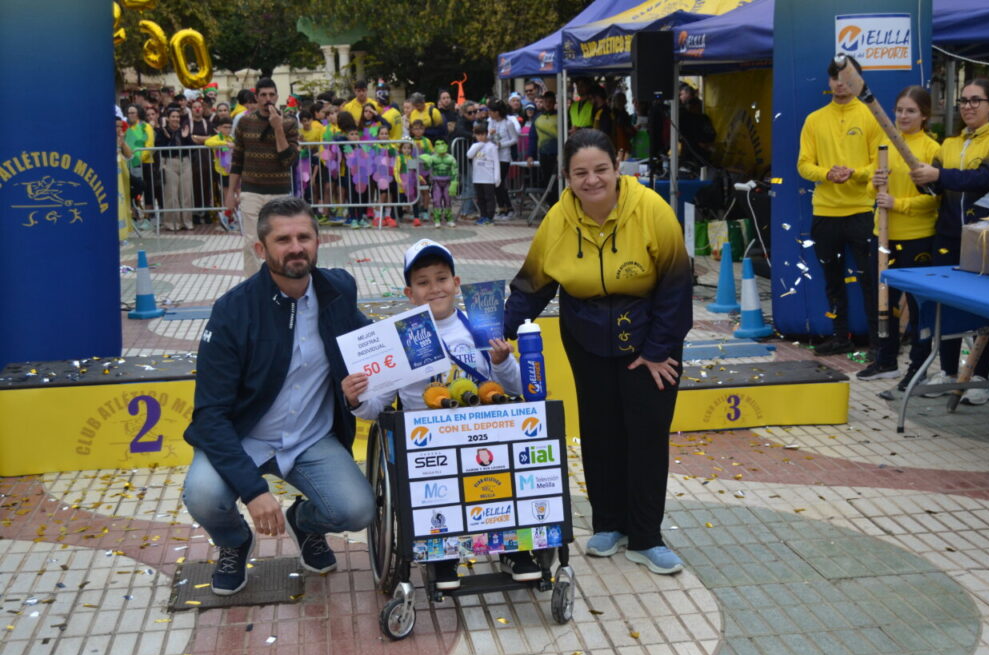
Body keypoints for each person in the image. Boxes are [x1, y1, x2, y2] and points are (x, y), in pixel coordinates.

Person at [504, 129, 692, 575]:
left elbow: (677, 284)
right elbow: (532, 284)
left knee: (646, 435)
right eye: (581, 173)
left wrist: (657, 349)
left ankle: (646, 537)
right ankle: (608, 523)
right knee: (599, 430)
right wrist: (498, 332)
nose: (592, 181)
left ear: (617, 166)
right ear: (567, 176)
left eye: (601, 170)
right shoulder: (558, 218)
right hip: (586, 337)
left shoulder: (652, 210)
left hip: (650, 338)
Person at [183, 196, 375, 596]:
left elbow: (370, 342)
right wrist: (253, 491)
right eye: (283, 239)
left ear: (318, 241)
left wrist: (432, 334)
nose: (296, 247)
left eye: (304, 237)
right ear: (261, 248)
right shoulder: (233, 311)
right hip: (244, 437)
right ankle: (233, 541)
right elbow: (210, 414)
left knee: (357, 510)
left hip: (310, 438)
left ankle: (304, 523)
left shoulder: (339, 289)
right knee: (202, 496)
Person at [343, 239, 529, 589]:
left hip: (483, 434)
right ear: (409, 293)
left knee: (506, 467)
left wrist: (503, 362)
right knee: (436, 480)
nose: (434, 288)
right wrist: (355, 399)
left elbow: (518, 387)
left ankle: (513, 548)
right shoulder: (398, 339)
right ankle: (442, 553)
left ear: (456, 284)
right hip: (427, 443)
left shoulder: (481, 326)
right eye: (423, 282)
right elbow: (375, 407)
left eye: (441, 279)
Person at [907, 77, 989, 405]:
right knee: (946, 304)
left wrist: (939, 175)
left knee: (985, 308)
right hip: (948, 234)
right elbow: (936, 187)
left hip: (988, 237)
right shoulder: (949, 144)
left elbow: (982, 180)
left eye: (975, 100)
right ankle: (947, 371)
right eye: (963, 101)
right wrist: (921, 180)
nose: (968, 107)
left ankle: (980, 377)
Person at [796, 56, 884, 356]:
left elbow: (881, 164)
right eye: (835, 78)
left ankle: (878, 342)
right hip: (825, 213)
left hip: (862, 211)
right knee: (832, 281)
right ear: (829, 81)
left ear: (858, 80)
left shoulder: (871, 116)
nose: (840, 84)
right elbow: (803, 165)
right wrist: (827, 174)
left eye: (847, 79)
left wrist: (854, 173)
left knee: (869, 280)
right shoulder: (814, 119)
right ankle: (840, 336)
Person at [858, 86, 939, 387]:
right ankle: (886, 360)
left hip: (917, 237)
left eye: (911, 111)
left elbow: (934, 199)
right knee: (883, 301)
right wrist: (875, 183)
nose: (903, 116)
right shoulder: (885, 144)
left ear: (924, 115)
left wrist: (898, 204)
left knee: (917, 305)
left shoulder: (932, 149)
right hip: (882, 236)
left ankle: (918, 367)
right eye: (900, 110)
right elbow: (872, 192)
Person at [226, 77, 300, 277]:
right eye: (263, 95)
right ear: (257, 98)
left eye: (271, 95)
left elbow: (288, 160)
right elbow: (237, 159)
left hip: (279, 192)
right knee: (251, 241)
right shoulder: (245, 122)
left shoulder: (289, 123)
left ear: (277, 96)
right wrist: (230, 192)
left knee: (280, 240)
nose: (268, 99)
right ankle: (253, 284)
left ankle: (281, 280)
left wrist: (278, 127)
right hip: (251, 191)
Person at [154, 107, 196, 231]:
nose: (176, 119)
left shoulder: (184, 130)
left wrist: (186, 137)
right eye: (173, 116)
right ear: (168, 118)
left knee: (186, 193)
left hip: (185, 162)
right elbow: (159, 148)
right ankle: (172, 222)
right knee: (171, 194)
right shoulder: (162, 131)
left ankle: (187, 221)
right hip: (170, 162)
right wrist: (169, 138)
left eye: (177, 117)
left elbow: (192, 148)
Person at [204, 116, 239, 231]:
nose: (227, 130)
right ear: (219, 128)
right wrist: (224, 143)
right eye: (225, 127)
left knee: (239, 196)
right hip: (223, 172)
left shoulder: (232, 138)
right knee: (228, 196)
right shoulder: (217, 138)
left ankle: (228, 215)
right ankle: (228, 217)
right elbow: (208, 142)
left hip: (234, 171)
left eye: (229, 127)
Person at [487, 99, 518, 219]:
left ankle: (508, 208)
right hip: (493, 156)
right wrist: (490, 135)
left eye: (491, 111)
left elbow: (514, 139)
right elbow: (488, 137)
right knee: (495, 183)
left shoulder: (508, 123)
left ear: (497, 112)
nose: (490, 114)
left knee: (499, 182)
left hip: (504, 156)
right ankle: (502, 208)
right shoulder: (491, 122)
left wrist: (502, 145)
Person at [527, 91, 558, 209]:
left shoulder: (560, 116)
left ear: (554, 103)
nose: (548, 104)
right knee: (547, 182)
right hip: (544, 155)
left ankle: (557, 207)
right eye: (546, 102)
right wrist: (530, 155)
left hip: (558, 155)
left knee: (557, 183)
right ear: (543, 102)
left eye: (551, 102)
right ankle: (551, 207)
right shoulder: (537, 118)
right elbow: (532, 137)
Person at [467, 123, 500, 225]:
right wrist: (479, 145)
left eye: (482, 134)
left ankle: (490, 217)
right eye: (478, 135)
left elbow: (496, 162)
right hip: (478, 177)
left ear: (486, 134)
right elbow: (469, 155)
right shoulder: (475, 146)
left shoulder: (492, 147)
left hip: (488, 178)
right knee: (480, 198)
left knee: (489, 198)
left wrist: (497, 177)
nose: (480, 137)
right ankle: (483, 215)